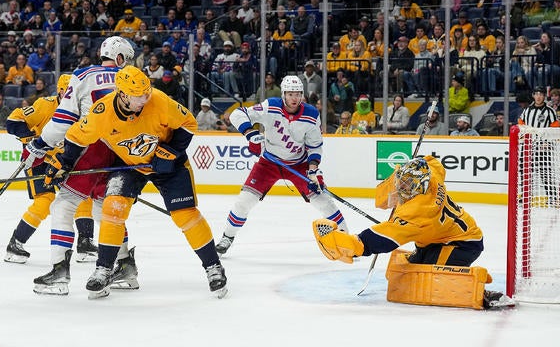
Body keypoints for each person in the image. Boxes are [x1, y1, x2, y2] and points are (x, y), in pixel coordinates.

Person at [43, 65, 228, 299]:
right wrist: (64, 163)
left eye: (146, 92)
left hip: (169, 164)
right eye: (138, 96)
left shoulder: (158, 100)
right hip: (131, 165)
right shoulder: (102, 112)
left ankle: (213, 267)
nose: (145, 98)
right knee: (112, 208)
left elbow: (189, 123)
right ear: (122, 94)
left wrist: (168, 152)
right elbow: (75, 137)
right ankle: (104, 270)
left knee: (185, 215)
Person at [311, 156, 515, 310]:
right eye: (403, 182)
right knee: (416, 272)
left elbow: (383, 238)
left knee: (436, 280)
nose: (401, 187)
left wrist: (350, 246)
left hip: (463, 243)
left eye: (408, 185)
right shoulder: (431, 176)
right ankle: (431, 257)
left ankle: (483, 294)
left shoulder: (419, 211)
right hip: (436, 238)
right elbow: (432, 161)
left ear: (420, 186)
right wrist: (416, 161)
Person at [21, 37, 140, 295]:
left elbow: (64, 120)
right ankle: (126, 267)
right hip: (125, 153)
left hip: (92, 148)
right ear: (120, 57)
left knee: (63, 204)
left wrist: (40, 144)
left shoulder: (84, 75)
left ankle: (59, 272)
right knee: (105, 211)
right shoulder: (134, 78)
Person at [214, 75, 347, 255]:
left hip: (299, 165)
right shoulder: (271, 106)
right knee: (244, 202)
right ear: (283, 94)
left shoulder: (311, 114)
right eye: (290, 94)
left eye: (298, 94)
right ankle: (227, 237)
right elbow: (238, 114)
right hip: (269, 162)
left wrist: (313, 171)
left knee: (324, 201)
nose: (294, 98)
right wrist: (249, 133)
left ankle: (346, 241)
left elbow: (315, 146)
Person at [3, 74, 98, 267]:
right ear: (61, 91)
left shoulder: (84, 110)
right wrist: (28, 136)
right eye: (66, 92)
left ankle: (85, 243)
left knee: (82, 196)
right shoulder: (44, 105)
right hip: (38, 159)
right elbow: (13, 121)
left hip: (62, 161)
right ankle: (16, 243)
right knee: (44, 202)